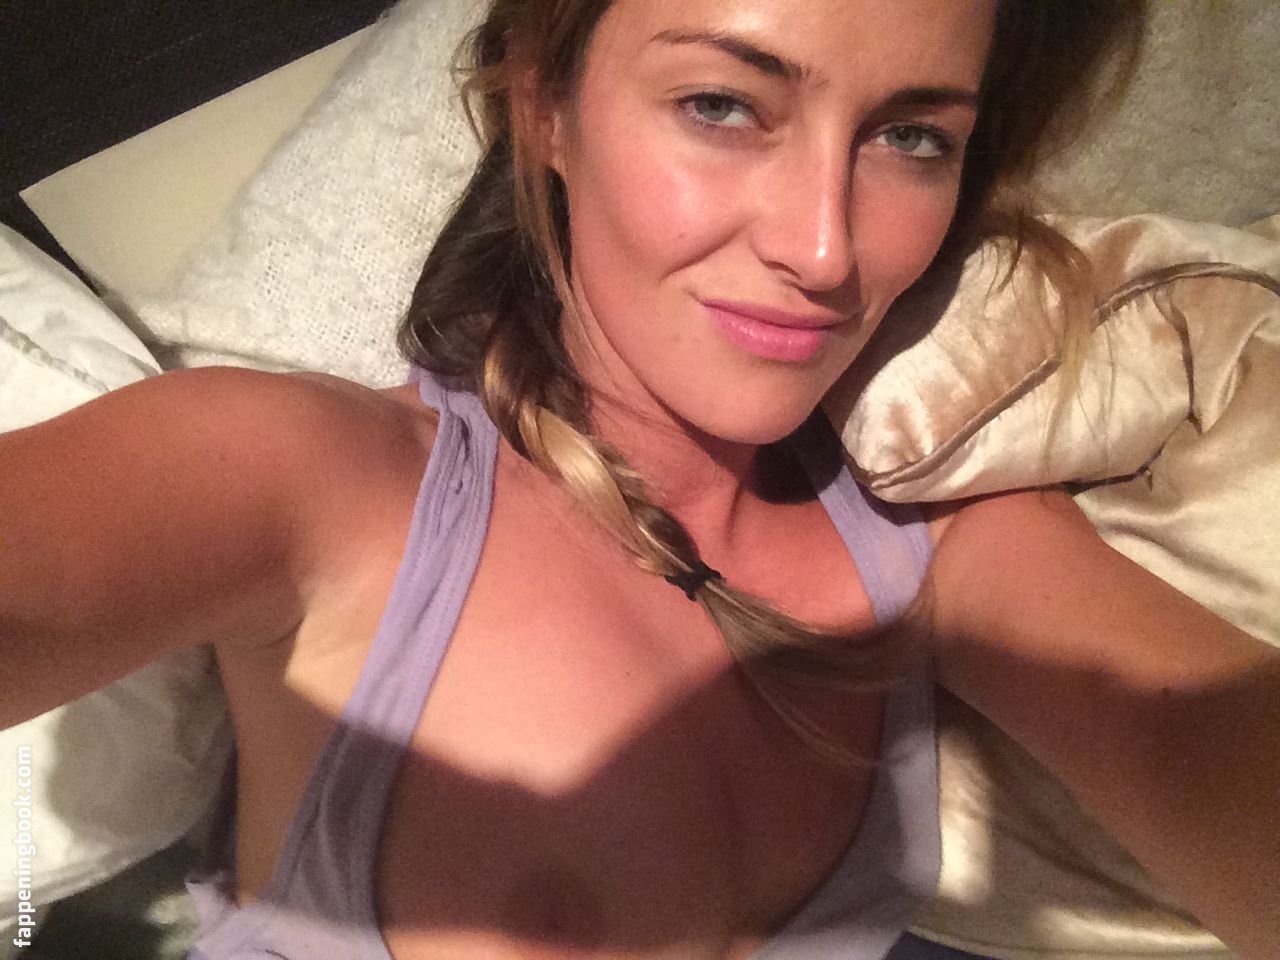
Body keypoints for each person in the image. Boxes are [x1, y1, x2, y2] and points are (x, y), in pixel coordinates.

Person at [2, 0, 1277, 958]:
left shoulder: (937, 531)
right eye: (721, 105)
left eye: (908, 137)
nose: (823, 247)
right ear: (542, 105)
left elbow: (1188, 737)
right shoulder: (314, 477)